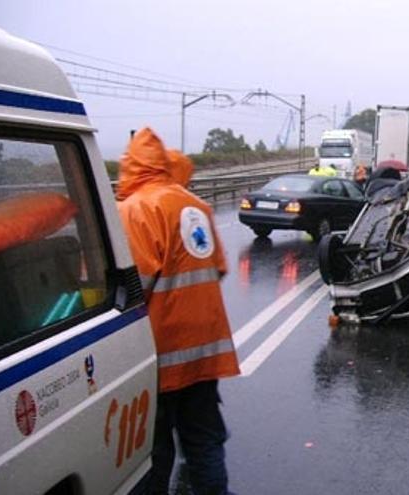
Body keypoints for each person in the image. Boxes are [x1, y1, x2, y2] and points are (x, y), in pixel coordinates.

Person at [116, 128, 240, 495]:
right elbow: (217, 267)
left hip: (160, 354)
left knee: (153, 451)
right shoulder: (195, 206)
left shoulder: (134, 209)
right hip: (204, 350)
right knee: (204, 441)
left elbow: (132, 288)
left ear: (131, 165)